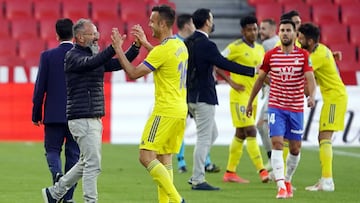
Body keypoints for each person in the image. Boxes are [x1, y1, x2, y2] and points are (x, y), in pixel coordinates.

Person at [41, 18, 140, 203]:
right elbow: (92, 62)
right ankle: (90, 200)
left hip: (91, 116)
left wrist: (134, 47)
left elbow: (115, 64)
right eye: (92, 33)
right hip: (83, 117)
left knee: (85, 162)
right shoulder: (73, 56)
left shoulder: (92, 56)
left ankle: (54, 193)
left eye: (96, 33)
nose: (96, 37)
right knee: (93, 165)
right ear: (79, 37)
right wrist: (112, 47)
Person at [111, 5, 187, 203]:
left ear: (162, 23)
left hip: (165, 110)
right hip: (179, 110)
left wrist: (118, 48)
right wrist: (145, 43)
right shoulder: (179, 46)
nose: (149, 25)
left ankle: (178, 200)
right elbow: (164, 58)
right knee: (165, 158)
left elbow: (133, 73)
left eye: (152, 21)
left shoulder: (163, 50)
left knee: (146, 156)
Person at [186, 8, 256, 191]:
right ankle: (197, 179)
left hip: (190, 96)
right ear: (207, 22)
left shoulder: (188, 42)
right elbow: (224, 63)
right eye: (211, 18)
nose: (213, 21)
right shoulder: (207, 45)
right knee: (203, 138)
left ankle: (197, 171)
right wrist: (252, 71)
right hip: (204, 97)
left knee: (212, 134)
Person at [246, 19, 316, 199]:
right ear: (279, 33)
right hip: (275, 107)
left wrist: (312, 96)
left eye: (288, 30)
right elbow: (260, 80)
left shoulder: (302, 56)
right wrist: (249, 102)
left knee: (295, 148)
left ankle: (288, 180)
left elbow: (310, 79)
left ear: (295, 34)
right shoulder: (270, 55)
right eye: (282, 30)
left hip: (295, 109)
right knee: (277, 143)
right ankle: (280, 186)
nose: (285, 33)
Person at [216, 15, 269, 184]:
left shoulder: (260, 49)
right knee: (251, 131)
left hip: (252, 97)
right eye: (249, 29)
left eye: (255, 29)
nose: (253, 32)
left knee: (240, 134)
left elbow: (261, 73)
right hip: (239, 97)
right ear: (242, 31)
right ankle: (262, 171)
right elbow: (217, 63)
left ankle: (230, 172)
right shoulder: (235, 47)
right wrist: (230, 81)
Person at [32, 18, 79, 203]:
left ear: (57, 34)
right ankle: (68, 198)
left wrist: (36, 114)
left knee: (52, 150)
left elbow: (39, 89)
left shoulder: (47, 56)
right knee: (73, 155)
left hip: (53, 114)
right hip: (77, 114)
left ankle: (57, 175)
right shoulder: (81, 55)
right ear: (74, 35)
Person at [298, 23, 348, 192]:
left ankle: (327, 181)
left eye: (301, 38)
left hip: (335, 98)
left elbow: (303, 77)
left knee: (324, 137)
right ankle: (325, 179)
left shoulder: (316, 56)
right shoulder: (320, 50)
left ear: (310, 41)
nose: (298, 40)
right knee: (323, 137)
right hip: (333, 97)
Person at [175, 13, 220, 174]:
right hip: (184, 95)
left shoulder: (190, 43)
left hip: (191, 93)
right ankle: (182, 163)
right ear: (188, 25)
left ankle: (205, 161)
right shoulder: (177, 43)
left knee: (207, 132)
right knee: (184, 129)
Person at [257, 18, 280, 169]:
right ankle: (274, 159)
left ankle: (274, 159)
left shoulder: (268, 44)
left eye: (263, 29)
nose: (260, 32)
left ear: (273, 30)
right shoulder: (277, 43)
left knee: (263, 125)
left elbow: (263, 70)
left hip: (275, 90)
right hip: (273, 90)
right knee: (265, 126)